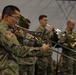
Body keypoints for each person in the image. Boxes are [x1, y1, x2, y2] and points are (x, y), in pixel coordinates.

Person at [0, 5, 50, 75]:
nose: (17, 22)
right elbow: (19, 51)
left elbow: (11, 49)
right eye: (16, 18)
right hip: (6, 71)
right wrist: (41, 49)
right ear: (6, 17)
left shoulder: (7, 30)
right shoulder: (5, 32)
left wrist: (19, 38)